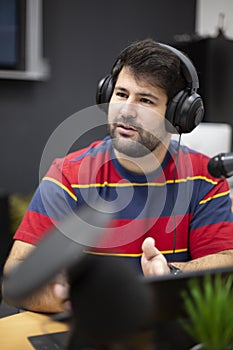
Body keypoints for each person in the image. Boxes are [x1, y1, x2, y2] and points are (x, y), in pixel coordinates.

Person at [3, 38, 233, 313]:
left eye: (145, 100)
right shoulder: (68, 175)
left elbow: (224, 262)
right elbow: (15, 280)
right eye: (121, 94)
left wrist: (170, 274)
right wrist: (72, 295)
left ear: (178, 115)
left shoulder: (205, 178)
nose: (126, 110)